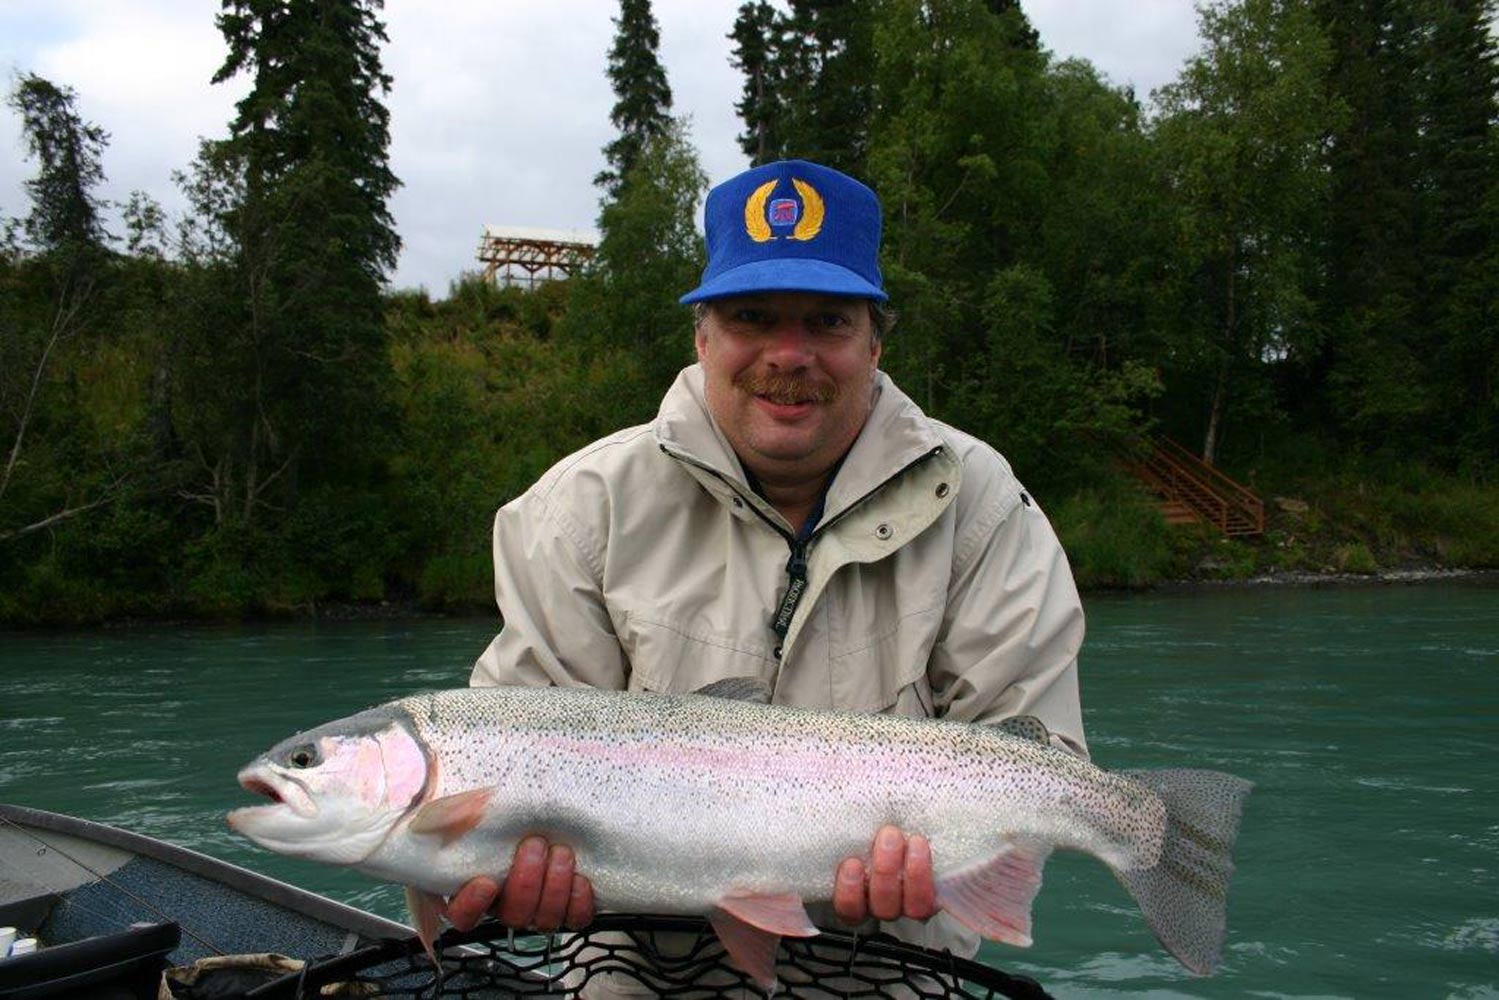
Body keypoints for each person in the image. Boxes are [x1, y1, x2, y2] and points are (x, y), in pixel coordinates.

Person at [448, 159, 1087, 966]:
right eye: (752, 317)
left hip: (899, 973)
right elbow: (508, 743)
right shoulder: (577, 510)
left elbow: (1041, 761)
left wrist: (964, 858)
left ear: (875, 342)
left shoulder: (981, 502)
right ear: (702, 336)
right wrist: (500, 871)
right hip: (634, 973)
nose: (789, 354)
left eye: (827, 322)